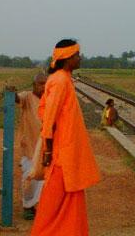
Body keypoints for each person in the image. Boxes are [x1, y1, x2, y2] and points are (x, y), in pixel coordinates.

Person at [30, 39, 100, 236]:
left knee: (69, 202)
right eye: (77, 55)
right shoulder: (60, 80)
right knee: (51, 207)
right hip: (61, 155)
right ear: (66, 58)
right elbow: (50, 117)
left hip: (68, 154)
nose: (80, 58)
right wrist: (49, 150)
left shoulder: (63, 78)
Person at [13, 73, 47, 220]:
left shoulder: (49, 99)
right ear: (34, 85)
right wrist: (11, 93)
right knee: (29, 177)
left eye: (45, 83)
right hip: (30, 147)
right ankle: (27, 206)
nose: (43, 86)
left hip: (46, 147)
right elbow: (16, 99)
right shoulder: (27, 97)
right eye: (40, 83)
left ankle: (37, 205)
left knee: (44, 179)